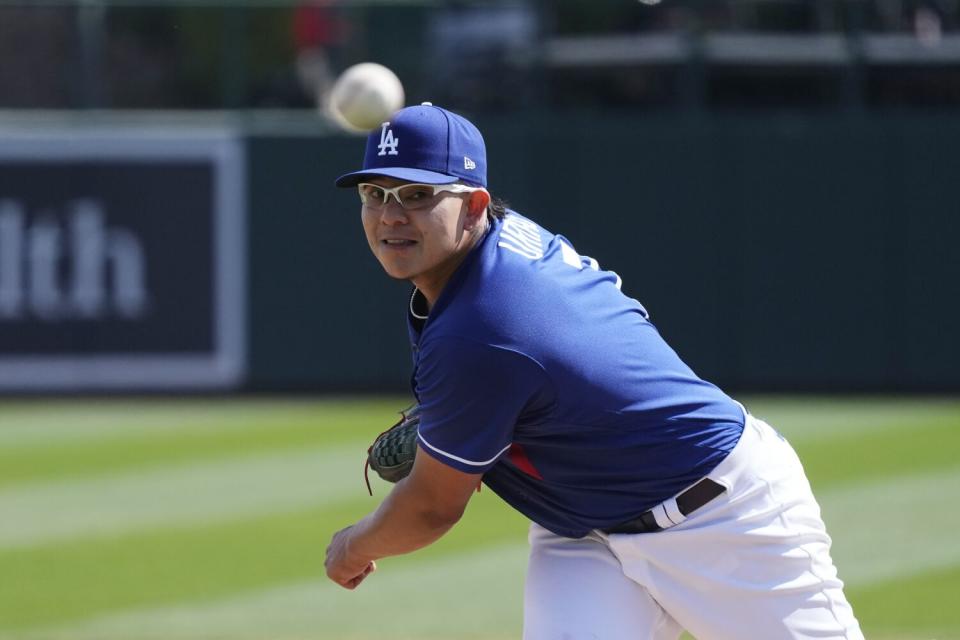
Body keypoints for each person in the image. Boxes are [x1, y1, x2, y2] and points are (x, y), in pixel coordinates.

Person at [325, 103, 864, 640]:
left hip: (722, 517)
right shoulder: (493, 251)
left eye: (418, 195)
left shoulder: (481, 325)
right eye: (375, 194)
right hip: (583, 537)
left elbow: (431, 508)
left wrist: (353, 545)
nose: (391, 215)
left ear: (474, 207)